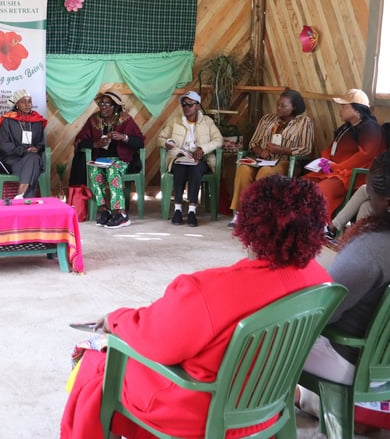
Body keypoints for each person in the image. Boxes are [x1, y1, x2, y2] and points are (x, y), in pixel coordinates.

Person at [60, 176, 331, 439]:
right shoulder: (320, 280)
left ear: (250, 227)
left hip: (203, 410)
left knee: (98, 363)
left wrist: (115, 320)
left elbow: (158, 341)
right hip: (266, 402)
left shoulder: (211, 289)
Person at [297, 147, 390, 414]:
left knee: (260, 341)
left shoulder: (371, 249)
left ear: (389, 203)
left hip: (356, 360)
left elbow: (322, 314)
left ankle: (301, 398)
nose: (366, 192)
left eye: (371, 191)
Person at [228, 89, 313, 227]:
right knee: (243, 169)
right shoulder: (267, 119)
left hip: (285, 162)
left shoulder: (303, 122)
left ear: (294, 107)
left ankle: (259, 215)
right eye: (278, 104)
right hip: (262, 160)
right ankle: (241, 213)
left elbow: (306, 148)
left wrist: (281, 150)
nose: (278, 108)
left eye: (283, 106)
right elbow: (253, 143)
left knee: (266, 172)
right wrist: (261, 151)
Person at [303, 89, 385, 218]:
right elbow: (332, 147)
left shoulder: (371, 127)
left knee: (321, 191)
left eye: (344, 107)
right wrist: (325, 161)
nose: (340, 110)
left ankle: (319, 224)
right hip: (334, 170)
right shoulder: (346, 126)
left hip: (351, 175)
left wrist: (337, 167)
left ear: (357, 110)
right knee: (303, 184)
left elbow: (366, 156)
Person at [72, 91, 144, 229]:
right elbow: (80, 140)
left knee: (113, 170)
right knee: (93, 170)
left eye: (107, 104)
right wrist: (95, 144)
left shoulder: (125, 119)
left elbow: (140, 142)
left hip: (122, 160)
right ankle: (106, 210)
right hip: (102, 160)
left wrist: (124, 137)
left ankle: (121, 214)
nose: (103, 106)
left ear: (115, 106)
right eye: (101, 103)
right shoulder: (94, 119)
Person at [157, 91, 222, 227]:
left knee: (195, 169)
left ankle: (192, 211)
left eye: (190, 104)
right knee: (179, 168)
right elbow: (161, 138)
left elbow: (218, 140)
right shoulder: (175, 121)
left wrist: (202, 149)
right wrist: (167, 144)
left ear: (197, 106)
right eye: (184, 104)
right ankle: (178, 210)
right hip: (179, 157)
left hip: (201, 159)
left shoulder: (207, 122)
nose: (186, 107)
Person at [0, 89, 47, 199]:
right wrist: (23, 151)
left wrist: (36, 148)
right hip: (13, 159)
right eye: (23, 102)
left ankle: (20, 195)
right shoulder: (7, 121)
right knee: (33, 165)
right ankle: (23, 198)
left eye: (29, 101)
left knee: (33, 159)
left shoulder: (37, 121)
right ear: (16, 104)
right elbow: (4, 145)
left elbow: (41, 143)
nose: (27, 104)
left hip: (32, 158)